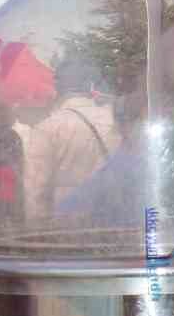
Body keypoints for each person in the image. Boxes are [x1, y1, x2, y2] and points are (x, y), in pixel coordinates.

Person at [22, 55, 117, 213]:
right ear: (89, 84)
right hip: (110, 217)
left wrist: (36, 230)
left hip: (66, 224)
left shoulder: (47, 128)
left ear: (58, 87)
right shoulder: (114, 120)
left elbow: (35, 191)